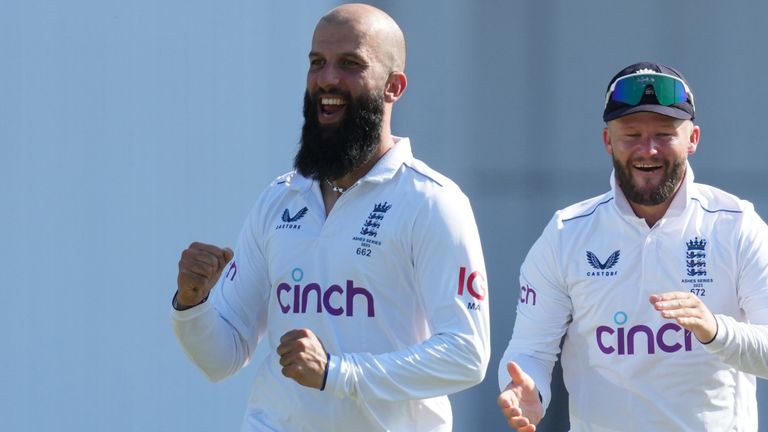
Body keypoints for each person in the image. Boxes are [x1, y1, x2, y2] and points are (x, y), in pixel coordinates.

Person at [171, 4, 490, 431]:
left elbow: (466, 356)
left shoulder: (432, 202)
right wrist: (193, 303)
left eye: (350, 64)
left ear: (393, 86)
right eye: (317, 63)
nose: (327, 79)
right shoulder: (280, 199)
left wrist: (336, 373)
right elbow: (222, 357)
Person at [497, 61, 768, 431]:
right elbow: (529, 350)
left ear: (693, 139)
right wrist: (527, 390)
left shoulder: (736, 225)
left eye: (664, 133)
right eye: (632, 134)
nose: (649, 149)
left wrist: (715, 331)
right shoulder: (566, 233)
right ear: (608, 140)